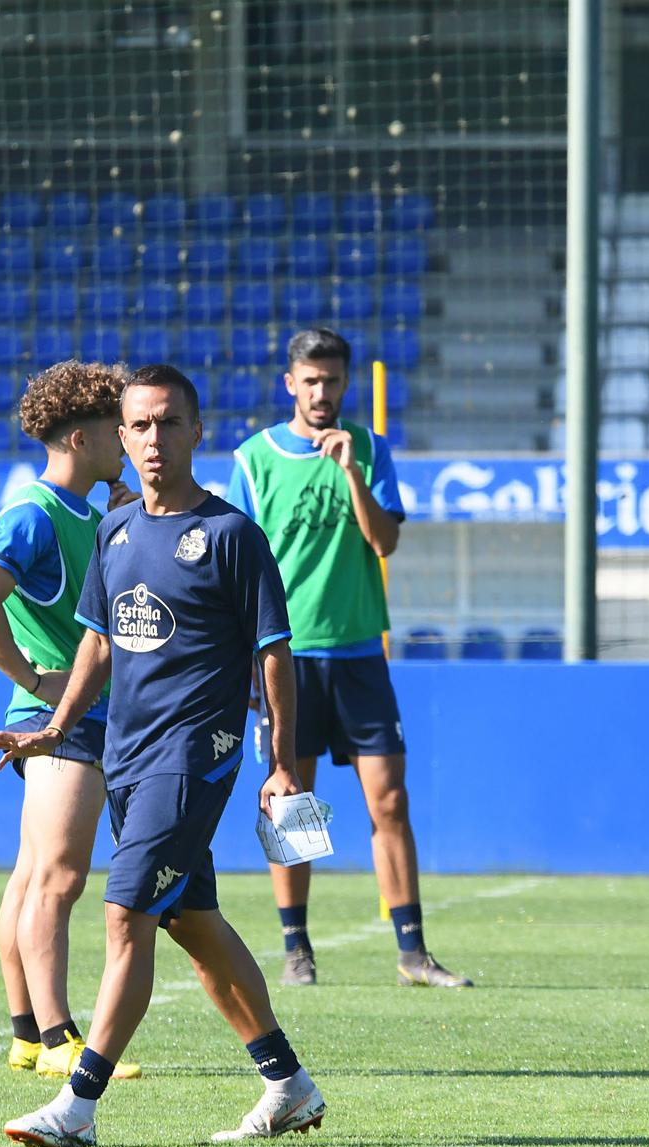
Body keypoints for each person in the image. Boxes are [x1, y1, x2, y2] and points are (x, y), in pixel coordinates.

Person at [0, 364, 325, 1147]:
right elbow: (96, 644)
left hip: (196, 753)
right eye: (139, 426)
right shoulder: (117, 530)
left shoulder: (232, 536)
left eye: (170, 423)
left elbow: (276, 653)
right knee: (194, 923)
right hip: (127, 757)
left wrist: (282, 760)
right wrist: (55, 725)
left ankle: (77, 1105)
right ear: (122, 435)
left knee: (125, 910)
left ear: (198, 431)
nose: (153, 440)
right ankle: (288, 1084)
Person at [229, 327, 470, 988]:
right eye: (310, 380)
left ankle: (413, 951)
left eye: (332, 381)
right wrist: (245, 659)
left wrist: (351, 473)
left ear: (345, 383)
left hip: (361, 652)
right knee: (292, 801)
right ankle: (296, 947)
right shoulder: (253, 458)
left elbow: (385, 541)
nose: (322, 392)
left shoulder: (369, 448)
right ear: (290, 383)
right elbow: (238, 565)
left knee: (389, 800)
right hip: (285, 656)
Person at [0, 360, 141, 1082]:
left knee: (32, 874)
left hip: (76, 713)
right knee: (58, 880)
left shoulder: (88, 513)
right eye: (117, 428)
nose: (128, 439)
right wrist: (35, 679)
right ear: (80, 437)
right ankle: (62, 1035)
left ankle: (27, 1033)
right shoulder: (33, 513)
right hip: (59, 716)